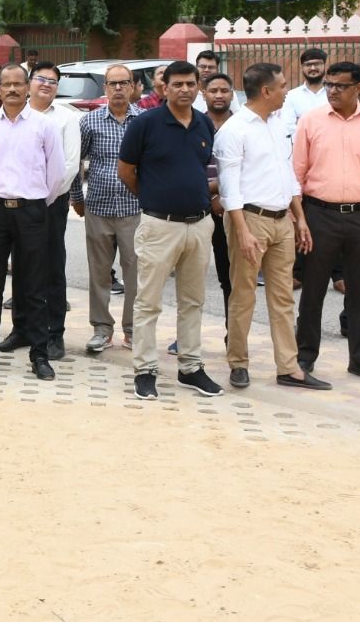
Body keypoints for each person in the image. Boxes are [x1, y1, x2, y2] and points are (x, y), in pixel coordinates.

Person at [215, 64, 327, 390]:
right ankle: (238, 363)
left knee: (283, 298)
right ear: (266, 91)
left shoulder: (279, 123)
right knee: (243, 295)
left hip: (282, 220)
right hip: (249, 220)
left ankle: (289, 368)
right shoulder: (234, 130)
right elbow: (229, 188)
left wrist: (300, 217)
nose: (286, 91)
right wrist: (242, 231)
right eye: (282, 85)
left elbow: (288, 175)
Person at [118, 60, 223, 401]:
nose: (185, 89)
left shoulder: (204, 123)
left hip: (200, 225)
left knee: (193, 301)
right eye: (177, 84)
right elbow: (126, 171)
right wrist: (153, 197)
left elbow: (204, 169)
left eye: (191, 83)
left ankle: (190, 367)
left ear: (198, 87)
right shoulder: (145, 124)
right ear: (164, 87)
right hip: (159, 225)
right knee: (148, 302)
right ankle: (145, 370)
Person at [291, 60, 360, 382]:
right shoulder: (311, 120)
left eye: (340, 86)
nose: (332, 91)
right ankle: (304, 356)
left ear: (359, 87)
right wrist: (299, 218)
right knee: (313, 290)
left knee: (359, 291)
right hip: (318, 215)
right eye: (329, 85)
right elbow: (296, 172)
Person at [0, 65, 61, 380]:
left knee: (33, 286)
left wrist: (35, 201)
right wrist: (2, 195)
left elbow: (56, 175)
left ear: (28, 86)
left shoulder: (44, 125)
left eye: (19, 83)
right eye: (6, 84)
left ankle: (39, 354)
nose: (13, 89)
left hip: (32, 210)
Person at [73, 64, 141, 352]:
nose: (118, 88)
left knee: (135, 273)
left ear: (133, 86)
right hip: (98, 207)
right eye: (113, 83)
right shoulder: (89, 122)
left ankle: (133, 330)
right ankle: (101, 329)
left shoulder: (144, 121)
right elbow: (76, 160)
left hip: (134, 208)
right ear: (105, 88)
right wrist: (76, 197)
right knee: (99, 273)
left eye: (124, 83)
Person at [26, 61, 82, 359]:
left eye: (52, 81)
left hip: (51, 202)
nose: (46, 84)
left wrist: (44, 198)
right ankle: (23, 328)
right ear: (30, 82)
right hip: (19, 202)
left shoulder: (67, 118)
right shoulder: (16, 114)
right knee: (23, 265)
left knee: (52, 266)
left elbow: (70, 165)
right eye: (41, 79)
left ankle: (54, 332)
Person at [201, 72, 237, 307]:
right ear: (204, 94)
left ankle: (232, 328)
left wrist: (222, 196)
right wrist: (213, 194)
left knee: (230, 276)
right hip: (198, 206)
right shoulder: (194, 124)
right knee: (191, 275)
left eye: (224, 90)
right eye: (213, 91)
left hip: (234, 208)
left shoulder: (242, 125)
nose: (219, 95)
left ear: (232, 94)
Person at [283, 48, 330, 131]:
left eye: (317, 64)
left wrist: (301, 123)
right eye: (308, 65)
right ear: (302, 67)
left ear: (325, 65)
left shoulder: (334, 93)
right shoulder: (291, 96)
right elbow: (288, 127)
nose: (313, 68)